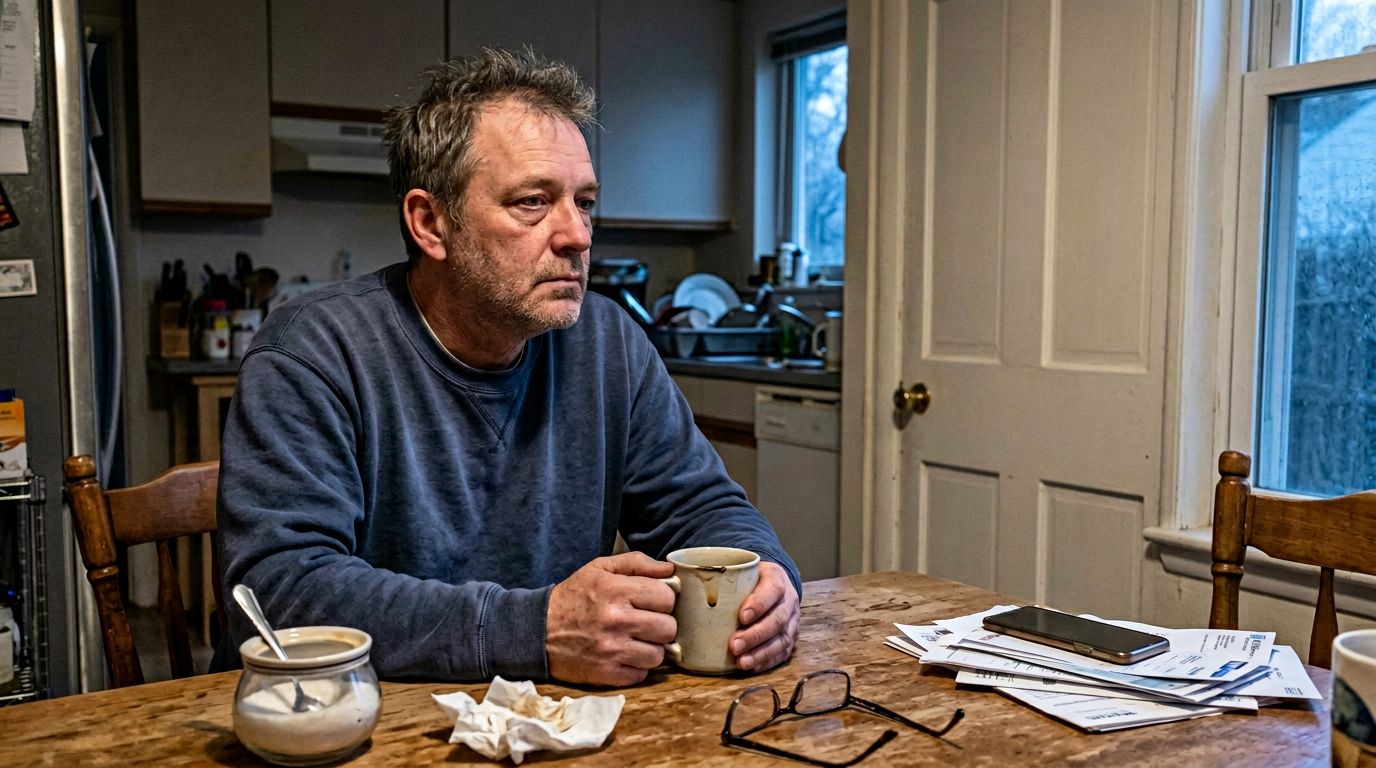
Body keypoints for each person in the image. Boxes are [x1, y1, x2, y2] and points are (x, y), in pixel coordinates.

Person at [212, 48, 802, 686]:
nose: (576, 235)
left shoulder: (609, 342)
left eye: (585, 202)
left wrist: (768, 577)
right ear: (430, 222)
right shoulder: (313, 353)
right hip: (337, 722)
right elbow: (278, 594)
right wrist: (535, 630)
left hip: (555, 725)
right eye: (533, 202)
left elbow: (703, 508)